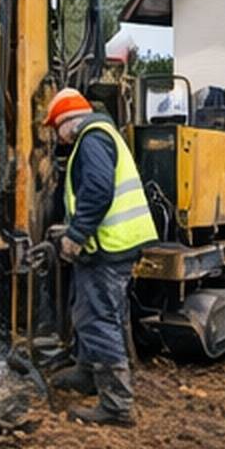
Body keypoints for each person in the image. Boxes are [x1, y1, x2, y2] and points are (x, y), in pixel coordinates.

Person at [43, 88, 158, 426]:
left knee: (99, 318)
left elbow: (97, 190)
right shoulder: (101, 134)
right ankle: (88, 372)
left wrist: (76, 235)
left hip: (108, 246)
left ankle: (116, 405)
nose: (58, 137)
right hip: (112, 245)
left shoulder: (92, 139)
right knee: (88, 311)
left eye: (56, 128)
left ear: (67, 121)